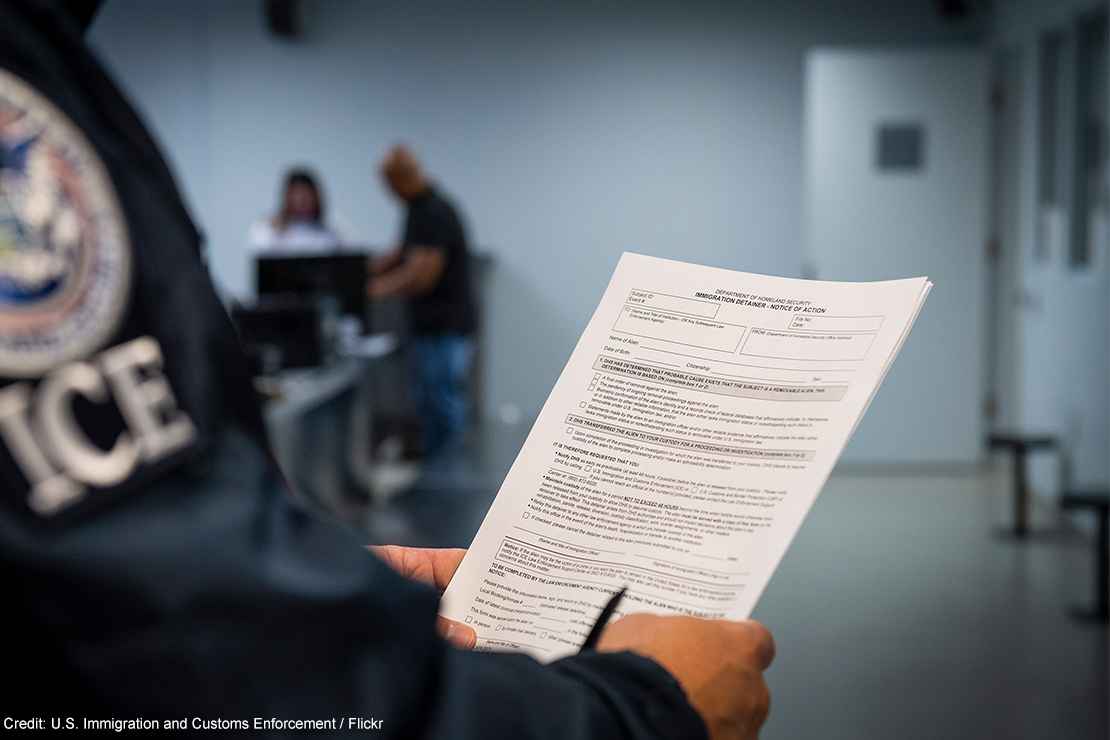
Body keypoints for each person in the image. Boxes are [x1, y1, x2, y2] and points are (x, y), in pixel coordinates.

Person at [1, 3, 775, 738]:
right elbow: (198, 642)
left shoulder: (49, 63)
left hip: (443, 334)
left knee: (442, 418)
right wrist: (644, 712)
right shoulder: (31, 67)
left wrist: (321, 591)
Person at [370, 145, 477, 456]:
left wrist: (376, 289)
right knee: (428, 402)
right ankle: (435, 470)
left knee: (443, 402)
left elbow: (421, 276)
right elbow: (401, 253)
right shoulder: (416, 210)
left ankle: (451, 475)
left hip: (446, 326)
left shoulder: (434, 211)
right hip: (430, 327)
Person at [248, 167, 343, 252]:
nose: (302, 201)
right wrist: (275, 231)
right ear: (287, 197)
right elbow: (260, 255)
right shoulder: (268, 228)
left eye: (307, 195)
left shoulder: (328, 233)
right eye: (297, 195)